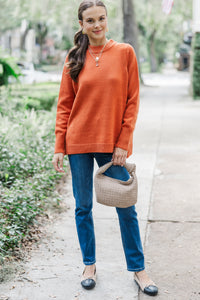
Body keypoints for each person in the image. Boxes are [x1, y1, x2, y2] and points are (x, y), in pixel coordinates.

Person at [52, 0, 158, 296]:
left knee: (126, 207)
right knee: (83, 207)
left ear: (106, 20)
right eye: (90, 20)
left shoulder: (125, 52)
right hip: (78, 143)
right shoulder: (74, 57)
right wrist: (59, 145)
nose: (97, 25)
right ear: (82, 25)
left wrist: (123, 142)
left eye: (101, 18)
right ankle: (89, 265)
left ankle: (139, 269)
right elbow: (64, 106)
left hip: (112, 147)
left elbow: (132, 101)